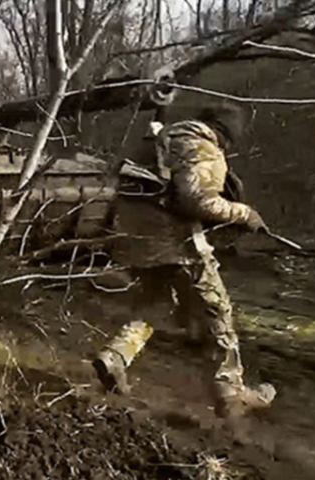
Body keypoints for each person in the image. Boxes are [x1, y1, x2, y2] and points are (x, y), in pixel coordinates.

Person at [96, 103, 276, 419]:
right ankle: (230, 394)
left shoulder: (157, 141)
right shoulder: (202, 147)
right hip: (176, 245)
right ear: (226, 134)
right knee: (216, 311)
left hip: (135, 238)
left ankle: (115, 357)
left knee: (156, 302)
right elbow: (197, 201)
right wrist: (245, 215)